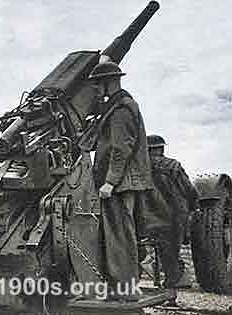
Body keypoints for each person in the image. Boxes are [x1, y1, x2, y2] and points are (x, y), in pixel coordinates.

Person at [79, 61, 153, 301]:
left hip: (120, 184)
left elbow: (121, 148)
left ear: (108, 82)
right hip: (123, 182)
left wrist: (110, 181)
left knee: (120, 235)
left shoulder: (121, 109)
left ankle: (125, 289)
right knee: (119, 234)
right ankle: (122, 286)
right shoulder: (116, 106)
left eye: (98, 84)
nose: (96, 90)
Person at [146, 134, 197, 290]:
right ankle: (171, 287)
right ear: (161, 148)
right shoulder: (173, 165)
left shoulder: (140, 167)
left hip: (150, 217)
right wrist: (194, 205)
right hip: (175, 215)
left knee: (161, 250)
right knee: (172, 253)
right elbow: (189, 189)